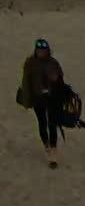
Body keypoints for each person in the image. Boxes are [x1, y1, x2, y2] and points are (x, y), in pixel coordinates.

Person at [18, 38, 65, 167]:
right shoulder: (30, 63)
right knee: (42, 123)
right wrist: (26, 100)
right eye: (38, 50)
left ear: (47, 51)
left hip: (51, 98)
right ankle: (47, 146)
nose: (41, 52)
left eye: (43, 50)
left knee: (52, 123)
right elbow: (26, 82)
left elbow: (60, 80)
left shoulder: (53, 63)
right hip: (37, 98)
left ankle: (53, 150)